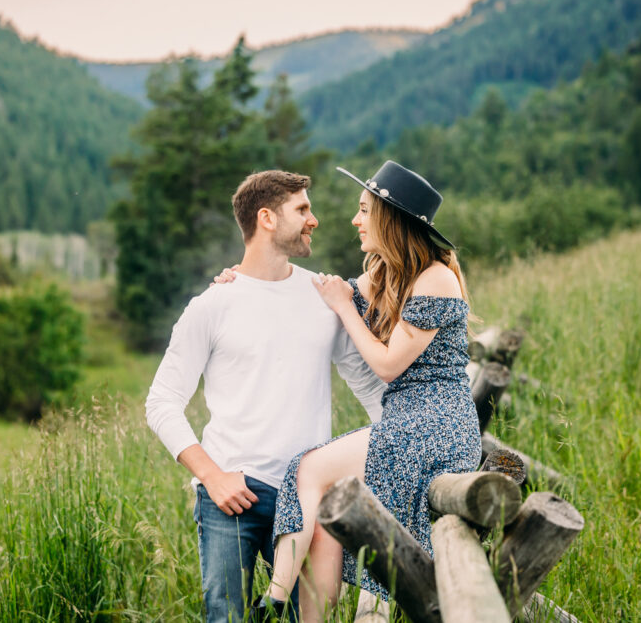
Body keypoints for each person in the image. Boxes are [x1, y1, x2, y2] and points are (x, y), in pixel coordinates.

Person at [144, 169, 388, 623]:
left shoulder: (325, 296)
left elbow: (369, 386)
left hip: (307, 493)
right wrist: (212, 476)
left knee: (307, 618)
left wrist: (403, 448)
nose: (314, 219)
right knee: (228, 619)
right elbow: (161, 402)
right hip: (232, 493)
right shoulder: (212, 305)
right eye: (302, 209)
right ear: (267, 218)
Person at [250, 160, 481, 621]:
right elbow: (322, 296)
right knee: (325, 507)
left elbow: (389, 365)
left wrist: (345, 307)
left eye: (363, 211)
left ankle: (272, 603)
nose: (355, 221)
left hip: (437, 426)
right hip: (405, 422)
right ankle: (295, 610)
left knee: (307, 470)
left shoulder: (436, 277)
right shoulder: (383, 273)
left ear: (389, 219)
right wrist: (243, 281)